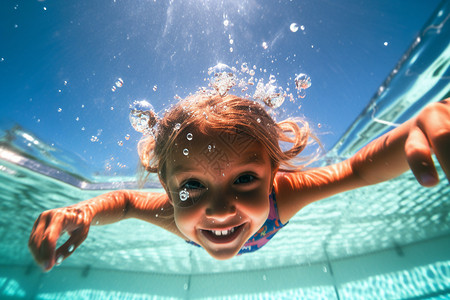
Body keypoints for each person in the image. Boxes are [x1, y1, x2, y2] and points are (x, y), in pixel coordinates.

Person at [28, 92, 450, 272]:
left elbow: (355, 170)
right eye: (191, 187)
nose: (218, 209)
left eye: (245, 178)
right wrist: (83, 210)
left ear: (271, 178)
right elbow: (121, 201)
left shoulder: (283, 195)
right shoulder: (175, 213)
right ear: (168, 188)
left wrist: (417, 125)